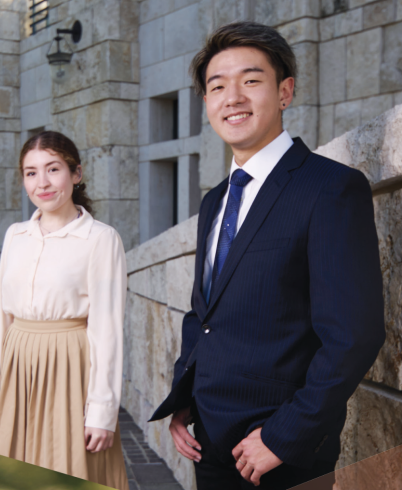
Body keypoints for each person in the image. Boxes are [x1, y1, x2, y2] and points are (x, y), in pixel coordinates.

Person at [149, 21, 386, 490]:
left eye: (251, 80)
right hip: (210, 440)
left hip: (281, 452)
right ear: (207, 104)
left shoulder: (330, 189)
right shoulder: (216, 200)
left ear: (285, 92)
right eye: (217, 86)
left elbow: (354, 335)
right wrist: (184, 397)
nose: (232, 97)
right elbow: (204, 313)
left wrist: (283, 436)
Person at [0, 131, 130, 490]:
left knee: (70, 472)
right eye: (31, 173)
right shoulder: (15, 235)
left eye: (53, 169)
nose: (42, 183)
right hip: (18, 365)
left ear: (75, 174)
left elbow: (107, 330)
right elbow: (2, 316)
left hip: (70, 366)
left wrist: (102, 412)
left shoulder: (100, 239)